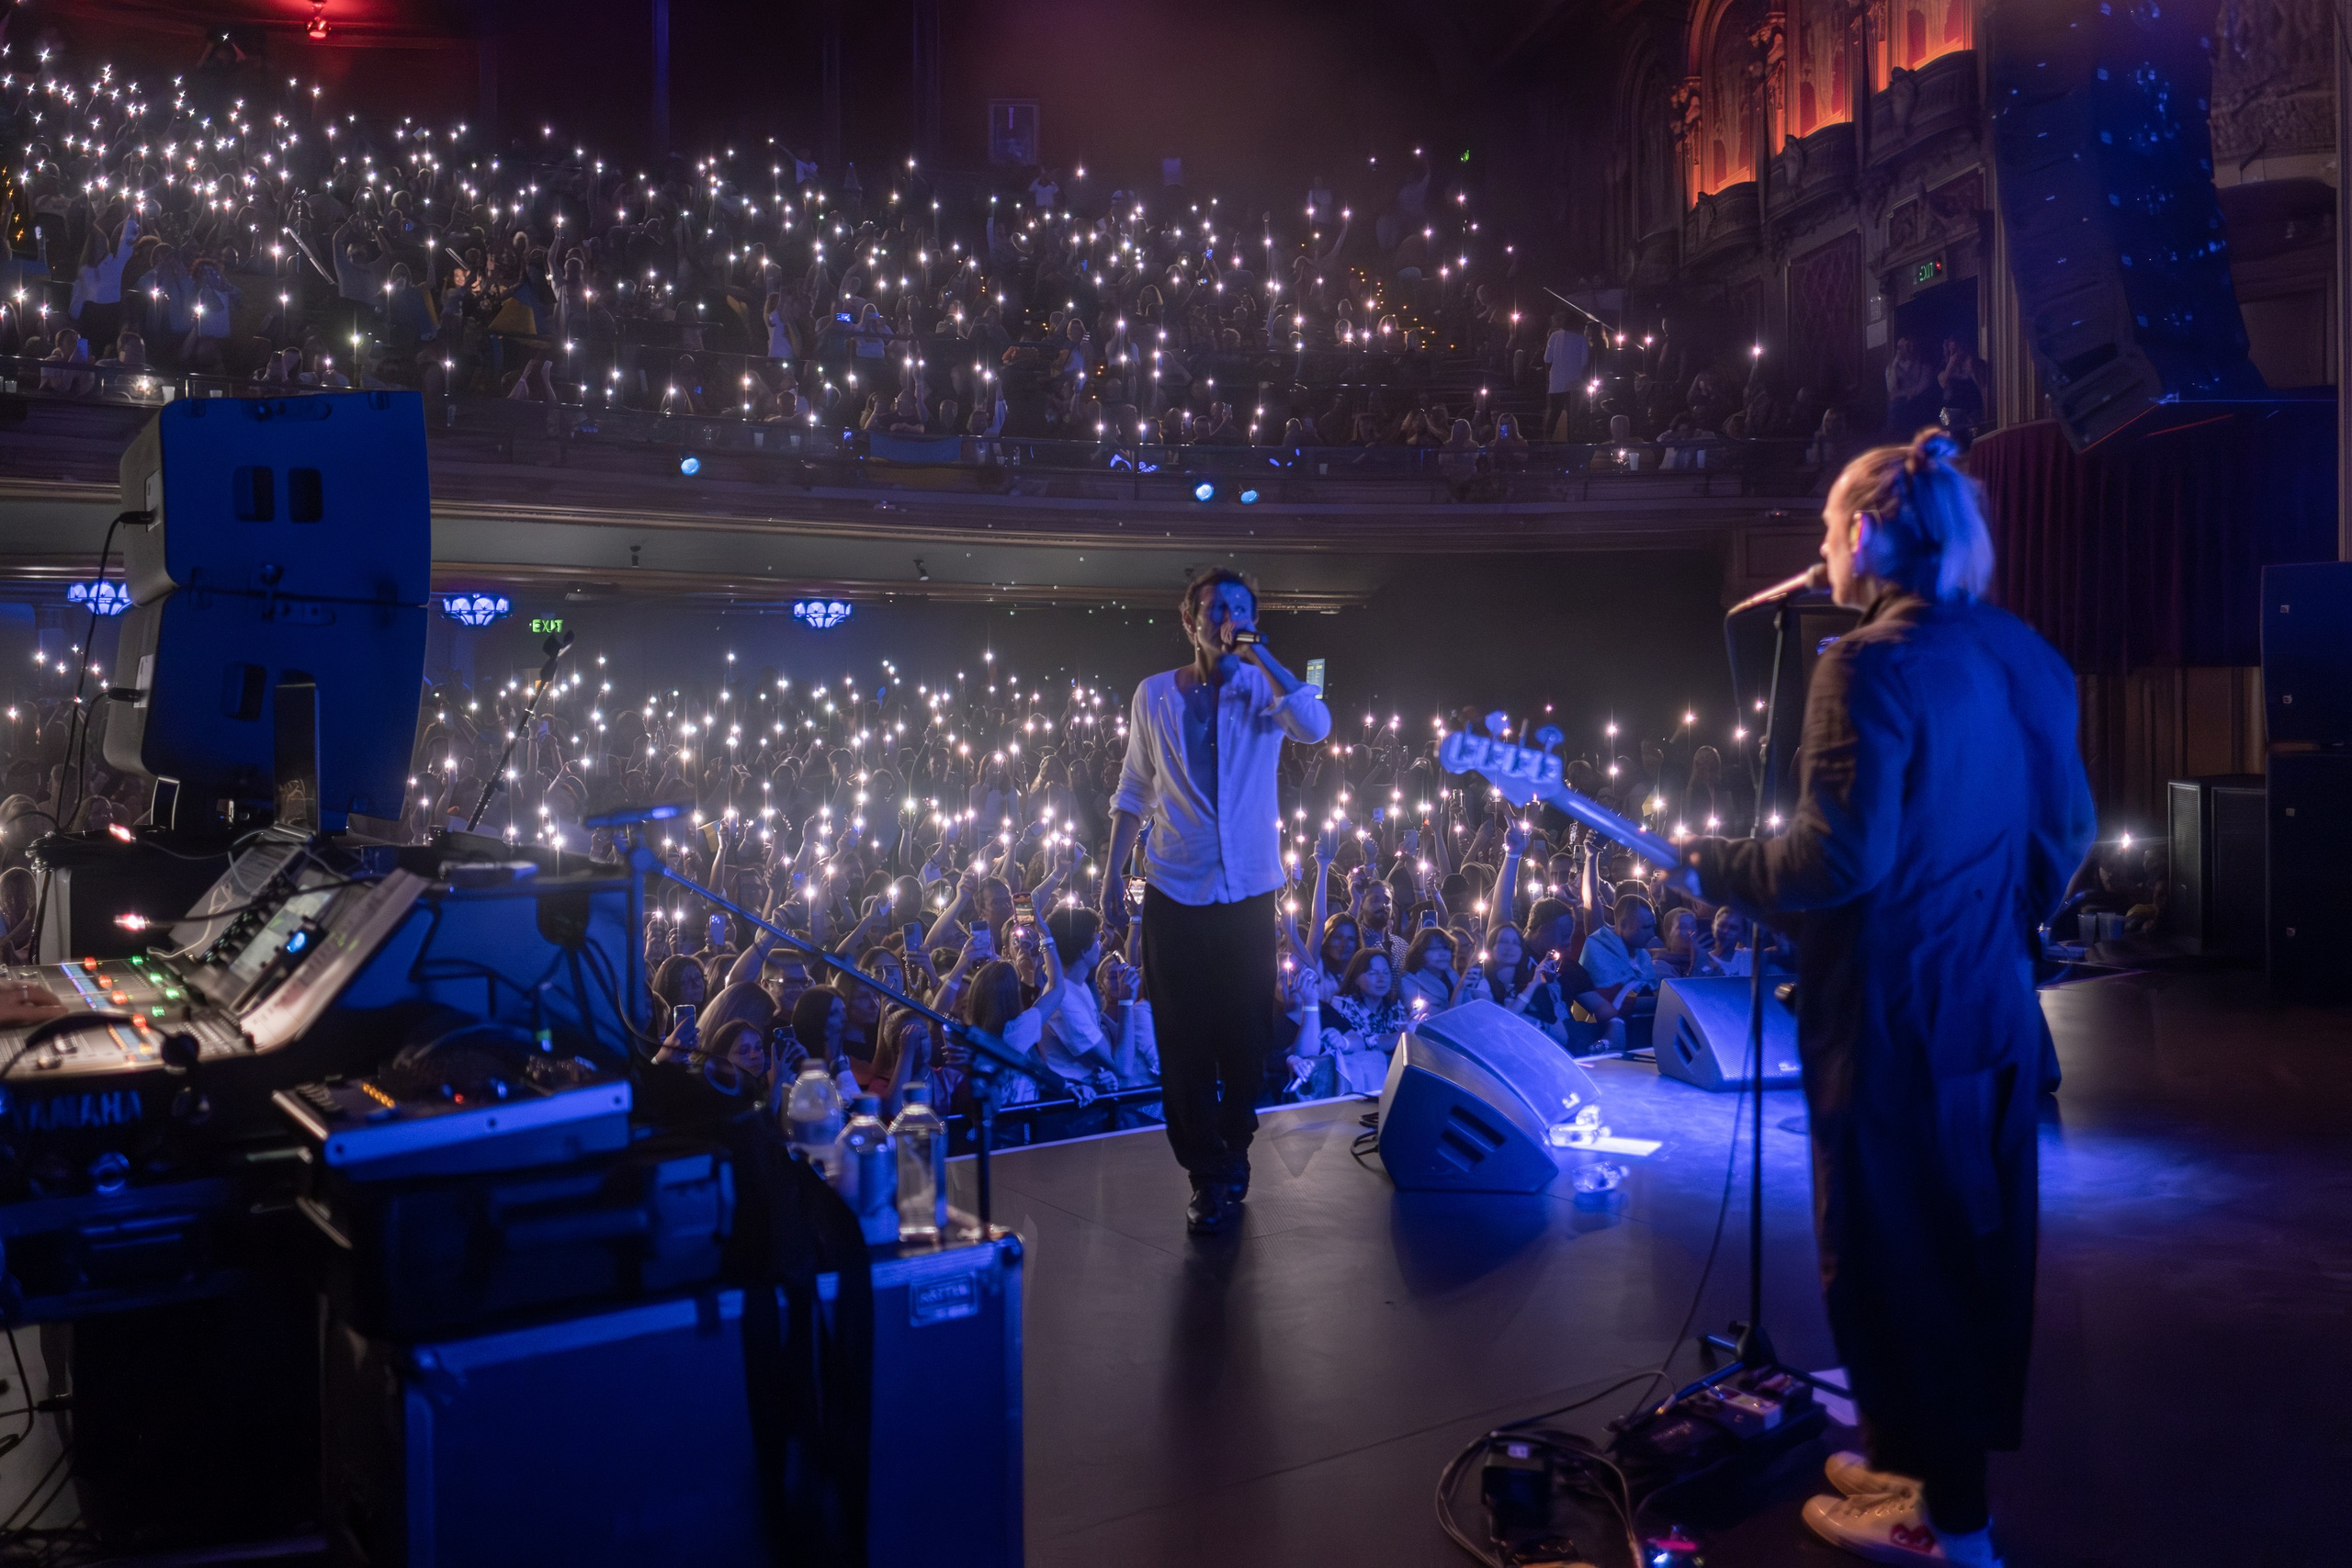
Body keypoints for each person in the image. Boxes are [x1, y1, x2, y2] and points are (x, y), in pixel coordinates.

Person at [1679, 428, 2095, 1567]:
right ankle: (1924, 1477)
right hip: (1993, 1018)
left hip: (1893, 1025)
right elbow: (2067, 834)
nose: (1820, 548)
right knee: (1968, 1263)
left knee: (1887, 1266)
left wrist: (1718, 866)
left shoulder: (1862, 664)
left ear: (1863, 532)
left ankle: (1944, 1528)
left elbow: (1833, 864)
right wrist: (1997, 934)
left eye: (1826, 527)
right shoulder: (2021, 652)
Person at [1106, 567, 1332, 1234]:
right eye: (1214, 607)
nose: (1226, 615)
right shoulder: (1153, 696)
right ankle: (1206, 1172)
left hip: (1250, 892)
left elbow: (1316, 723)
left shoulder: (1265, 692)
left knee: (1244, 1036)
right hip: (1175, 887)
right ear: (1189, 621)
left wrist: (1257, 652)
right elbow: (1132, 791)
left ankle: (1234, 1149)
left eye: (1239, 607)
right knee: (1182, 1040)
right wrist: (1112, 876)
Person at [1541, 310, 1588, 441]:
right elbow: (1584, 363)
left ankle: (1547, 441)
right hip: (1575, 384)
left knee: (1554, 414)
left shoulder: (1555, 336)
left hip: (1556, 382)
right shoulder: (1582, 339)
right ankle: (1572, 443)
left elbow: (1547, 359)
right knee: (1573, 417)